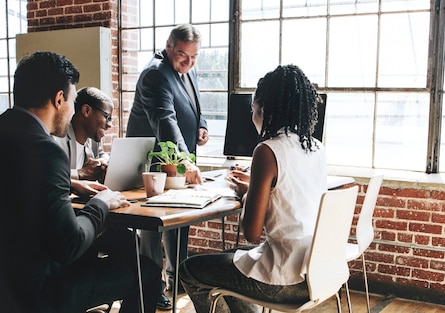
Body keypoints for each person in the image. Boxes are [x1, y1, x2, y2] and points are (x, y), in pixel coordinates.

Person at [0, 51, 161, 313]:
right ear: (59, 99)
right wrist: (100, 203)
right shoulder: (46, 150)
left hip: (8, 285)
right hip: (38, 291)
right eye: (73, 102)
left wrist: (73, 187)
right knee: (148, 273)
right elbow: (69, 244)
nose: (74, 110)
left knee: (117, 243)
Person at [179, 64, 327, 313]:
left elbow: (251, 232)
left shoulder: (267, 150)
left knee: (189, 269)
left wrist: (248, 194)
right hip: (317, 270)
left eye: (253, 109)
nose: (252, 116)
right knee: (236, 262)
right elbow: (290, 193)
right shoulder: (315, 147)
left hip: (284, 279)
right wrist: (258, 188)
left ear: (264, 109)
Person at [126, 23, 209, 309]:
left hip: (181, 158)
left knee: (180, 224)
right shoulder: (155, 75)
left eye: (194, 57)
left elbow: (194, 102)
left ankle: (177, 281)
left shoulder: (188, 67)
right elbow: (165, 122)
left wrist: (201, 124)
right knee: (152, 230)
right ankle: (151, 288)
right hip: (154, 162)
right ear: (169, 46)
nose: (189, 63)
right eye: (183, 56)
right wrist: (186, 161)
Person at [53, 86, 112, 198]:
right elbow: (50, 176)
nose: (109, 124)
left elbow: (103, 155)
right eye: (107, 116)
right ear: (86, 111)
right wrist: (81, 173)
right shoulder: (56, 139)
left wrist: (103, 162)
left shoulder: (93, 140)